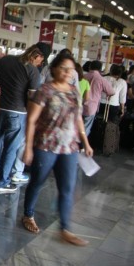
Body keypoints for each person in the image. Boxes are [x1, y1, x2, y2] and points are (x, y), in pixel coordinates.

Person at [21, 53, 93, 246]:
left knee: (67, 187)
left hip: (69, 147)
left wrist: (85, 143)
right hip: (46, 145)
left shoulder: (74, 91)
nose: (68, 72)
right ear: (54, 69)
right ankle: (28, 215)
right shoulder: (45, 90)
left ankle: (65, 228)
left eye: (71, 69)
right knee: (37, 181)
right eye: (64, 68)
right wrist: (28, 148)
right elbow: (31, 120)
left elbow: (78, 118)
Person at [0, 45, 44, 192]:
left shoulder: (6, 60)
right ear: (34, 57)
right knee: (10, 148)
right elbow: (32, 97)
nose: (39, 64)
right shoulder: (33, 71)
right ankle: (2, 182)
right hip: (18, 112)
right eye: (39, 61)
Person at [83, 60, 115, 135]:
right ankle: (82, 144)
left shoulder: (83, 76)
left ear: (90, 66)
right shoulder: (101, 79)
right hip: (91, 107)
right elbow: (111, 92)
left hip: (79, 105)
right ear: (100, 69)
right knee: (86, 128)